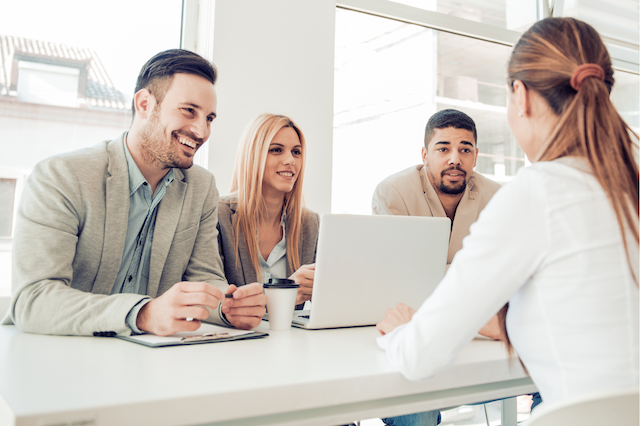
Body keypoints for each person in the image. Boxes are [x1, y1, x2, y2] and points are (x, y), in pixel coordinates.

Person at [377, 15, 638, 413]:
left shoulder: (536, 192)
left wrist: (400, 332)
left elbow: (420, 357)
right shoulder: (628, 185)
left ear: (521, 95)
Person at [2, 49, 266, 336]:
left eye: (210, 118)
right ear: (144, 104)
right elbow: (33, 299)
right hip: (59, 354)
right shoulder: (61, 176)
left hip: (147, 360)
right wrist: (142, 314)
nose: (202, 131)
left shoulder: (200, 187)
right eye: (189, 111)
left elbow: (204, 276)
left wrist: (226, 307)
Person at [373, 110, 505, 425]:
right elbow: (394, 277)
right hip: (410, 324)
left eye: (465, 149)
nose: (454, 159)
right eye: (443, 148)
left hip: (476, 334)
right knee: (416, 405)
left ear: (476, 156)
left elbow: (500, 277)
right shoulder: (393, 193)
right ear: (425, 154)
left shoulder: (497, 197)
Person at [217, 114, 319, 311]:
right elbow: (218, 300)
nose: (290, 160)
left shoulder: (310, 223)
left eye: (296, 152)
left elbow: (329, 304)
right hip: (234, 340)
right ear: (253, 155)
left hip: (291, 340)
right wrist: (287, 292)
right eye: (276, 150)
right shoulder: (218, 216)